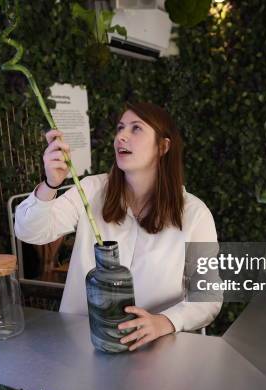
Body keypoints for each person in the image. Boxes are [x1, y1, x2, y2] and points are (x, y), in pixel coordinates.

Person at [14, 102, 221, 351]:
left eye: (136, 129)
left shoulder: (195, 214)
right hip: (82, 346)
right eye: (120, 128)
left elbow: (208, 298)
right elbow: (29, 231)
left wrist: (165, 321)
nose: (121, 136)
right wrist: (50, 184)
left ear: (163, 146)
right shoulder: (90, 190)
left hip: (153, 355)